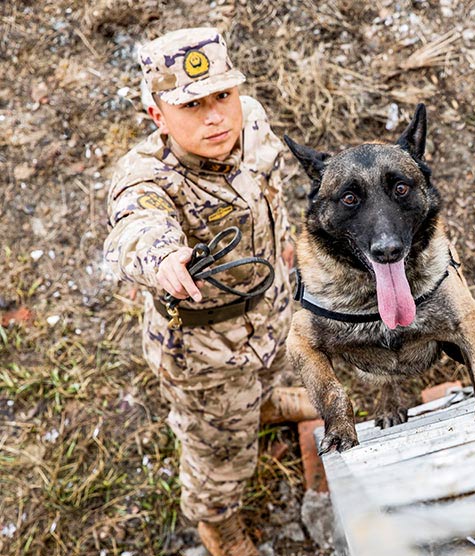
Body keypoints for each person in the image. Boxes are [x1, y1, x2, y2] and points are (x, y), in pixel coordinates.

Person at [103, 27, 317, 556]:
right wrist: (161, 255)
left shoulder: (254, 120)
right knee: (220, 454)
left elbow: (270, 189)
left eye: (222, 95)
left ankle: (263, 405)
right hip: (207, 357)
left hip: (270, 311)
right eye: (192, 104)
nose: (216, 116)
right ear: (158, 115)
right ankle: (216, 525)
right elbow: (136, 223)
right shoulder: (148, 175)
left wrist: (284, 242)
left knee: (270, 375)